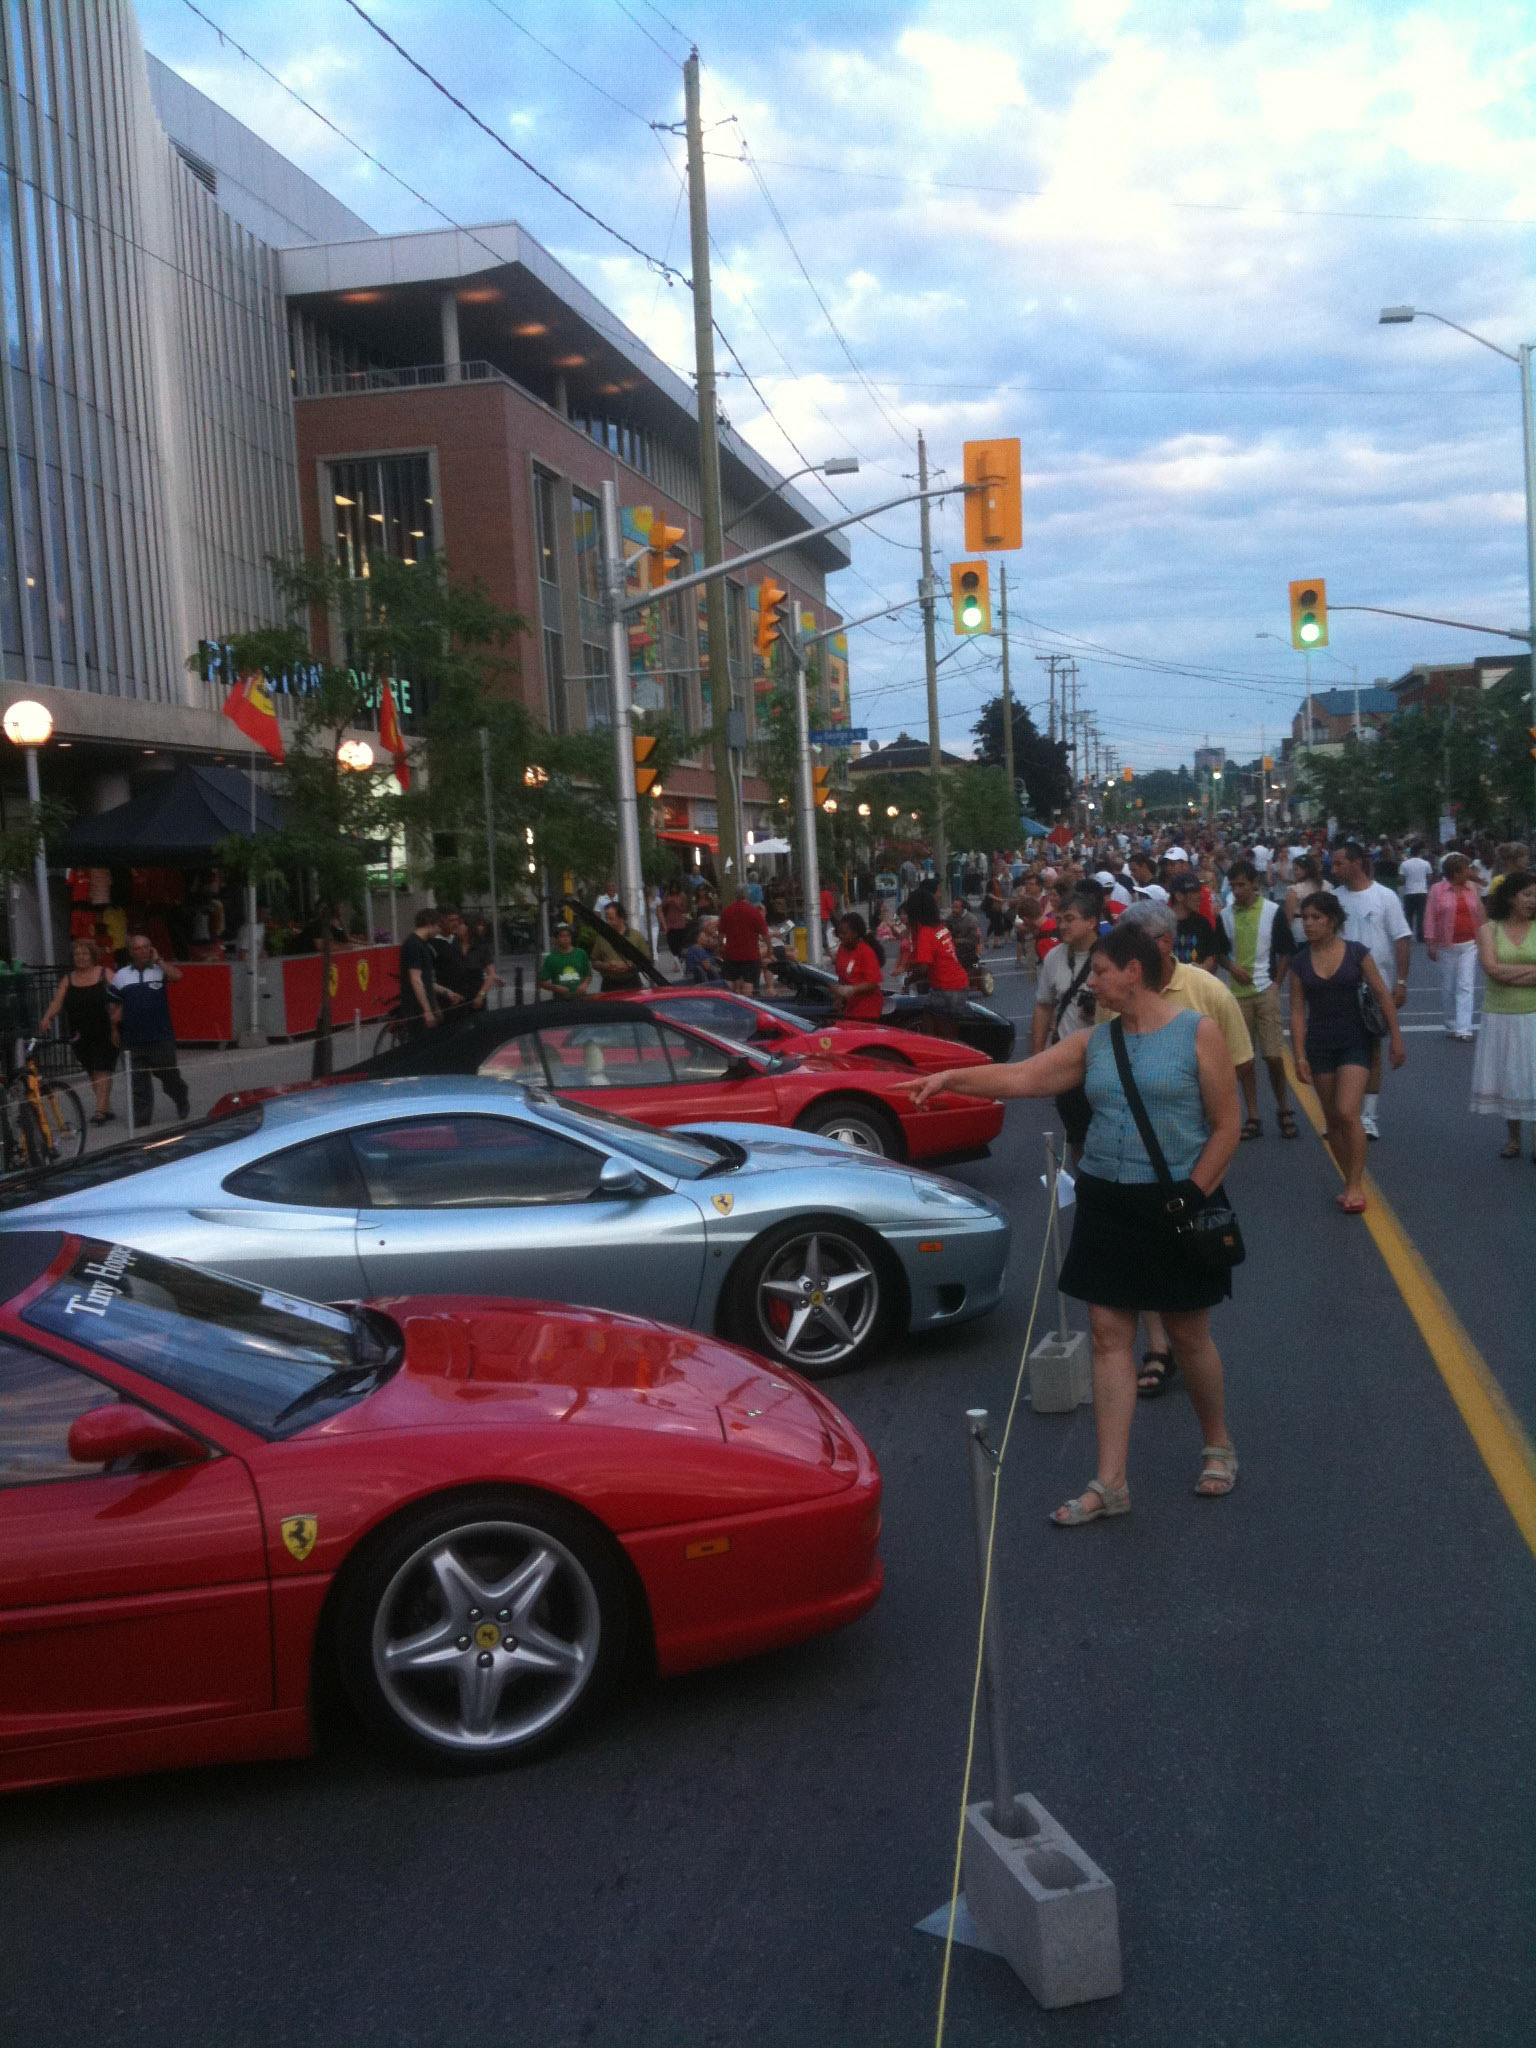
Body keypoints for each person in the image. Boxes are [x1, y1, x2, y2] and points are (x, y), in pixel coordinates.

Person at [911, 920, 1242, 1521]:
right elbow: (1023, 1077)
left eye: (1101, 971)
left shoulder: (1199, 1033)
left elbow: (1227, 1125)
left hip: (1174, 1203)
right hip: (1107, 1203)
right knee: (1111, 1336)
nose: (1093, 981)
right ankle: (1110, 1482)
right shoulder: (1096, 1043)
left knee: (1189, 1336)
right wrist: (951, 1080)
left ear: (1133, 972)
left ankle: (1218, 1445)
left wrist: (1193, 1196)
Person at [1289, 891, 1405, 1214]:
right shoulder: (1300, 962)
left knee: (1347, 1111)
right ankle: (1351, 1179)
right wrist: (1299, 1055)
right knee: (1332, 1121)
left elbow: (1383, 995)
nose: (1309, 924)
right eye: (1305, 918)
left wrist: (1396, 1038)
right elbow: (1297, 1012)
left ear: (1333, 921)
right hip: (1320, 1044)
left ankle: (1355, 1186)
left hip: (1356, 1040)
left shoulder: (1356, 953)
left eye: (1316, 917)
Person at [1332, 841, 1411, 1140]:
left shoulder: (1384, 897)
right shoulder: (1333, 898)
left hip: (1374, 988)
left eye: (1339, 863)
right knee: (1339, 1049)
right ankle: (1341, 1114)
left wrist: (1400, 982)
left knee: (1372, 1049)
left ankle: (1368, 1115)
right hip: (1339, 985)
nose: (1335, 869)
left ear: (1356, 863)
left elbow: (1401, 938)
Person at [1220, 859, 1299, 1139]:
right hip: (1238, 995)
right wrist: (1231, 967)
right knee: (1245, 1059)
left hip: (1265, 990)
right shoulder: (1226, 915)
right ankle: (1253, 1113)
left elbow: (1287, 949)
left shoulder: (1272, 911)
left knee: (1274, 1056)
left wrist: (1277, 982)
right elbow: (1218, 951)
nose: (1237, 890)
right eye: (1233, 885)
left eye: (1242, 884)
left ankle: (1284, 1108)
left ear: (1255, 884)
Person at [1032, 888, 1101, 1163]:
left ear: (1091, 922)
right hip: (1068, 1061)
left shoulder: (1111, 955)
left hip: (1103, 1058)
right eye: (1060, 919)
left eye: (1069, 919)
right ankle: (1086, 1192)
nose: (1062, 925)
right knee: (1077, 1136)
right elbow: (1043, 1004)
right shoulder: (1054, 957)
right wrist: (1038, 1055)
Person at [1471, 869, 1536, 1160]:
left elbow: (1501, 971)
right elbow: (1492, 970)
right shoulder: (1489, 930)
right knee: (1510, 1076)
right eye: (1527, 895)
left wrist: (1510, 974)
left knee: (1533, 1077)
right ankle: (1513, 1139)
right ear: (1511, 897)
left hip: (1533, 1013)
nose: (1532, 901)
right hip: (1501, 1014)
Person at [108, 933, 190, 1125]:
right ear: (131, 952)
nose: (143, 951)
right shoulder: (122, 975)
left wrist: (159, 960)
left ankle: (180, 1096)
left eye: (147, 947)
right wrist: (114, 1028)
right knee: (138, 1081)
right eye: (138, 948)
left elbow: (177, 976)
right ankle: (142, 1118)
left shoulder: (159, 970)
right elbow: (113, 1003)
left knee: (168, 1075)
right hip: (132, 1038)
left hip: (160, 1036)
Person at [39, 937, 119, 1123]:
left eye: (84, 954)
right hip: (80, 1032)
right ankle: (105, 1108)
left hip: (104, 1029)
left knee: (102, 1068)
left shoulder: (104, 973)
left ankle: (99, 1111)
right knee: (92, 1070)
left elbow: (120, 995)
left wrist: (118, 1018)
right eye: (77, 954)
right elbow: (57, 1002)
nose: (81, 957)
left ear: (92, 955)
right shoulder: (68, 979)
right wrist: (47, 1017)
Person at [1424, 853, 1485, 1041]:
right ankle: (1451, 1023)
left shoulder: (1472, 887)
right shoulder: (1437, 890)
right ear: (1456, 873)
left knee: (1466, 985)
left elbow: (1481, 912)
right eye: (1466, 868)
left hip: (1470, 944)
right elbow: (1430, 915)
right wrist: (1430, 941)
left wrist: (1485, 937)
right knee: (1449, 986)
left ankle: (1464, 1028)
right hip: (1446, 945)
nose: (1469, 871)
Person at [905, 891, 971, 1006]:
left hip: (946, 987)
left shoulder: (925, 932)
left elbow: (924, 967)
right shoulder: (940, 927)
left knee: (934, 1020)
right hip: (959, 982)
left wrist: (910, 978)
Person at [588, 901, 651, 992]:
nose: (608, 922)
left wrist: (629, 965)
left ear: (621, 918)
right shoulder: (601, 938)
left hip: (632, 984)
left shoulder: (636, 936)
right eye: (606, 919)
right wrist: (605, 965)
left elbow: (646, 960)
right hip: (609, 985)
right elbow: (594, 961)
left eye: (611, 919)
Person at [832, 912, 885, 1020]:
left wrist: (852, 989)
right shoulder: (842, 949)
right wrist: (839, 998)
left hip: (867, 1009)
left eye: (844, 933)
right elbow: (842, 976)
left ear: (855, 933)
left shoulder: (866, 952)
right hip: (850, 1007)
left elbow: (872, 983)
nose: (840, 936)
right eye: (839, 933)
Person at [718, 886, 770, 992]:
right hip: (750, 955)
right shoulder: (754, 912)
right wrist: (770, 948)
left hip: (731, 954)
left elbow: (721, 933)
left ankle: (730, 1003)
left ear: (736, 895)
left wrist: (720, 947)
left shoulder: (727, 911)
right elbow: (765, 934)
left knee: (730, 981)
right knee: (748, 982)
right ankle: (746, 1005)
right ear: (747, 895)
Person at [1169, 871, 1226, 968]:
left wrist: (1203, 967)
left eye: (1200, 891)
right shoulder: (1163, 924)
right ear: (1178, 896)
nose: (1200, 896)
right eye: (1194, 892)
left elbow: (1212, 954)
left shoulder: (1202, 923)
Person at [399, 908, 442, 1031]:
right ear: (430, 923)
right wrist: (427, 1010)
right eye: (438, 926)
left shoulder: (424, 944)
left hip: (423, 1006)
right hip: (416, 1008)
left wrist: (447, 992)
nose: (439, 930)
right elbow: (416, 979)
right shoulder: (413, 944)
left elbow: (426, 979)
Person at [538, 924, 591, 999]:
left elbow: (588, 974)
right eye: (562, 936)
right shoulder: (551, 958)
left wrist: (585, 984)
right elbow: (542, 982)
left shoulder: (581, 953)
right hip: (560, 999)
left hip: (581, 997)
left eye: (568, 935)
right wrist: (555, 987)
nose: (566, 938)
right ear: (556, 938)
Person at [683, 916, 724, 984]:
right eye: (705, 936)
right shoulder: (697, 949)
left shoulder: (703, 949)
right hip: (699, 982)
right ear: (698, 938)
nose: (708, 939)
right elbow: (708, 967)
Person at [659, 881, 691, 964]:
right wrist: (668, 901)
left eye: (675, 888)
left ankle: (678, 960)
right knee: (671, 943)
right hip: (670, 922)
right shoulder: (667, 894)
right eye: (672, 888)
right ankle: (676, 958)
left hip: (679, 922)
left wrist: (676, 904)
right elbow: (662, 906)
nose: (674, 890)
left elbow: (684, 909)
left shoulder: (682, 895)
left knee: (679, 943)